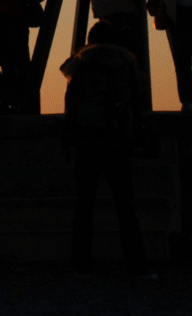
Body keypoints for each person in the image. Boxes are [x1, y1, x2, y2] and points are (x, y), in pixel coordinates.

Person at [61, 29, 150, 277]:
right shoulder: (124, 64)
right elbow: (134, 99)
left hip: (85, 142)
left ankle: (81, 265)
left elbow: (71, 103)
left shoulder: (78, 65)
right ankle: (136, 266)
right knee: (126, 208)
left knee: (83, 207)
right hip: (115, 143)